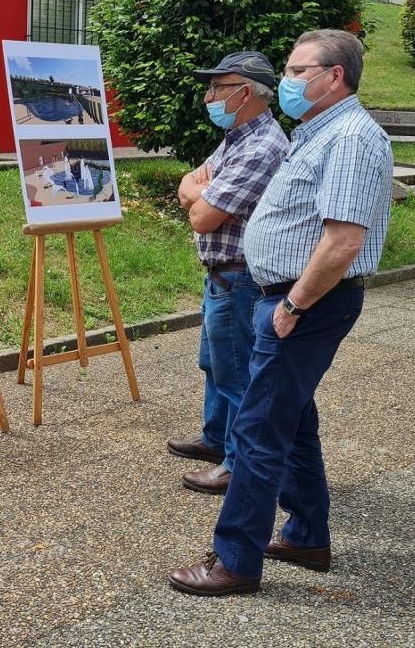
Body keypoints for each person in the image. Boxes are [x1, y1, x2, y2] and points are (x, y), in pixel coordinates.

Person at [167, 29, 394, 595]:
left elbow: (343, 241)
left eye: (296, 71)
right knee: (292, 423)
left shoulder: (351, 138)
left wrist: (293, 305)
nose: (286, 81)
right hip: (287, 295)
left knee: (257, 431)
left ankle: (235, 561)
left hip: (305, 301)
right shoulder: (317, 132)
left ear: (333, 77)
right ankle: (307, 536)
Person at [166, 51, 288, 496]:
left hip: (240, 278)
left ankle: (237, 463)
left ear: (246, 92)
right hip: (222, 275)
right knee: (215, 363)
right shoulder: (238, 138)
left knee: (237, 372)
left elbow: (202, 217)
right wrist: (198, 189)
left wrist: (200, 192)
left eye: (218, 88)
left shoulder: (262, 146)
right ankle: (215, 438)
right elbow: (188, 184)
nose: (208, 97)